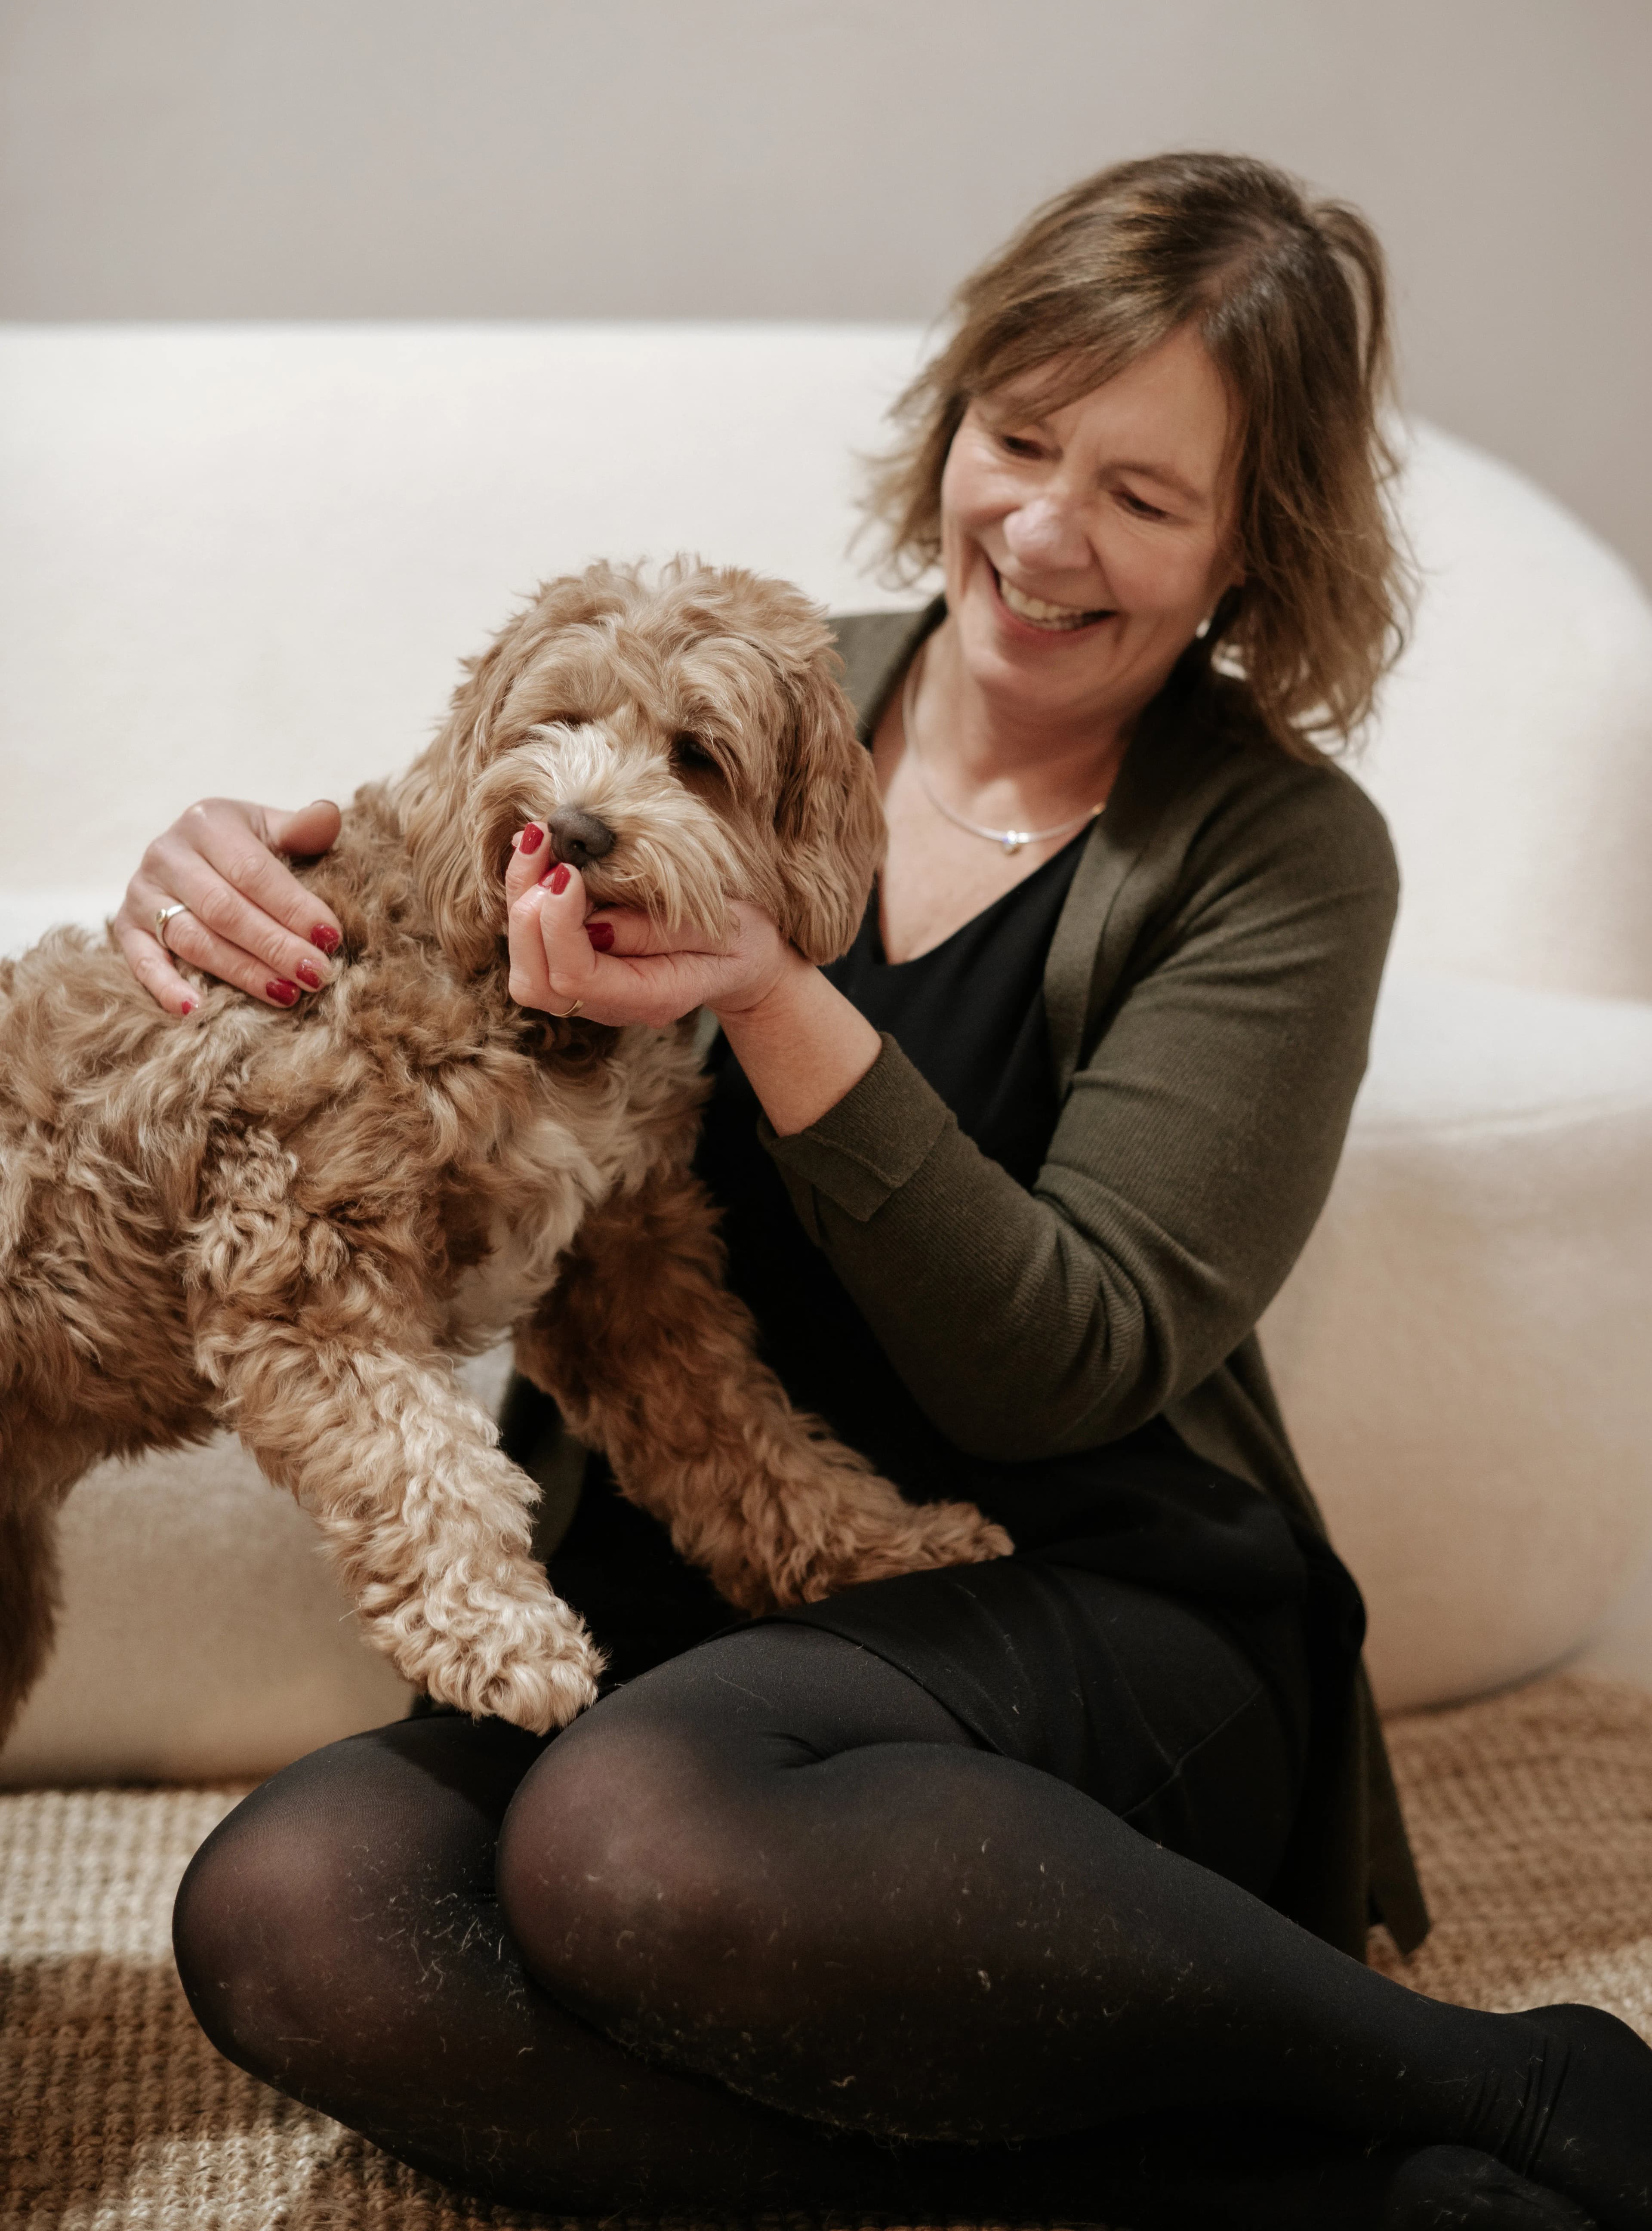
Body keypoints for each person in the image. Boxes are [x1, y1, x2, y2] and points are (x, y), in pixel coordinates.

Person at [126, 154, 1646, 2230]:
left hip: (1088, 1582)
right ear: (952, 422)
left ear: (1251, 545)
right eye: (1018, 439)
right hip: (695, 1586)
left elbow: (1073, 1359)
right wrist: (226, 876)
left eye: (1144, 492)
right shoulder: (727, 692)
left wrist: (773, 989)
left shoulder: (1279, 857)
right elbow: (415, 930)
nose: (1040, 529)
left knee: (624, 1843)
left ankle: (1514, 2079)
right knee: (293, 1916)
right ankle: (1274, 2201)